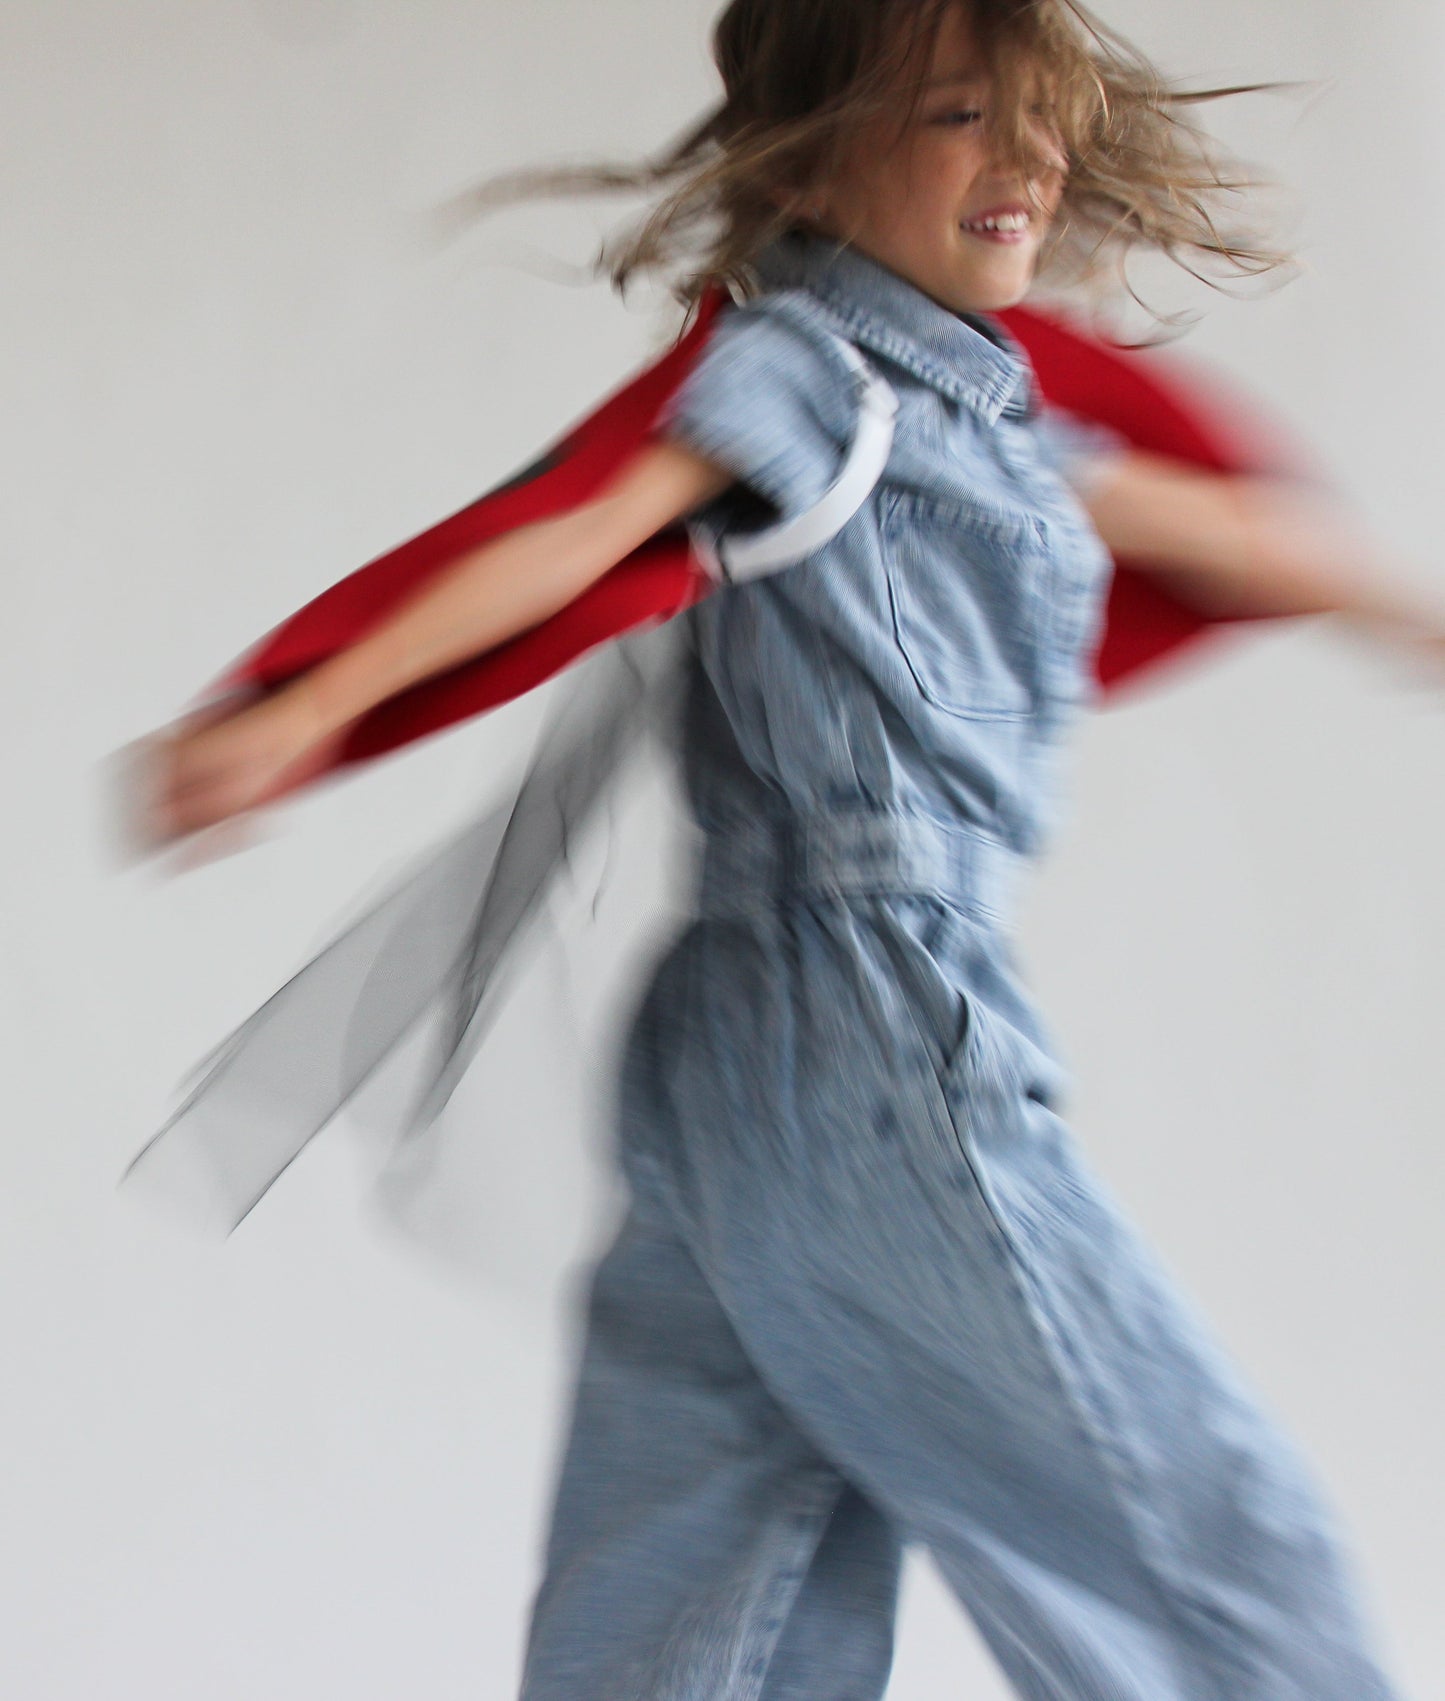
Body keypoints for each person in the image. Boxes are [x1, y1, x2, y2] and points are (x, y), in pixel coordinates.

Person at [132, 2, 1442, 1695]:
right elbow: (578, 528)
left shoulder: (997, 422)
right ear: (816, 158)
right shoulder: (809, 379)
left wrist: (1404, 615)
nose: (1023, 162)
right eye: (961, 115)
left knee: (708, 1568)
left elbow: (1237, 533)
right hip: (871, 1010)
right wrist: (308, 703)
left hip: (726, 1052)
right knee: (1199, 1538)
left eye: (1040, 121)